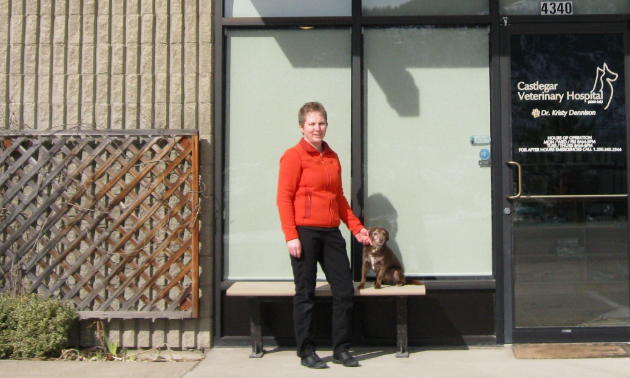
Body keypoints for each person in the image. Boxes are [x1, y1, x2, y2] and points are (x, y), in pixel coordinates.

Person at [277, 102, 372, 369]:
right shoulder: (293, 156)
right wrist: (290, 236)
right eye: (312, 124)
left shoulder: (332, 156)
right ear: (301, 127)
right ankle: (306, 352)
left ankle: (342, 349)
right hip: (304, 234)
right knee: (305, 293)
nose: (317, 128)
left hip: (331, 233)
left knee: (344, 291)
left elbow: (338, 198)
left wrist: (356, 228)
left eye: (321, 123)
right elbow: (283, 198)